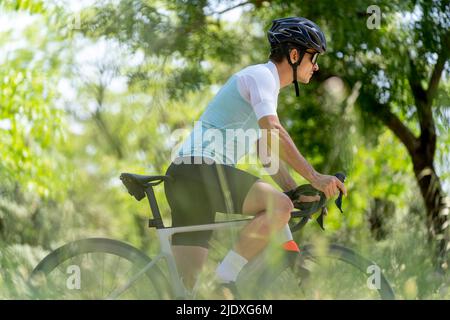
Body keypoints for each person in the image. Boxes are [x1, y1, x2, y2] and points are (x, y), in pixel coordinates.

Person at [164, 17, 347, 293]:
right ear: (295, 55)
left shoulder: (263, 88)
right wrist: (315, 176)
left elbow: (265, 150)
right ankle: (224, 278)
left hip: (186, 176)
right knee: (279, 207)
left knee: (184, 290)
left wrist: (294, 190)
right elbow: (273, 130)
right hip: (202, 170)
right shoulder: (261, 77)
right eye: (313, 57)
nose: (316, 66)